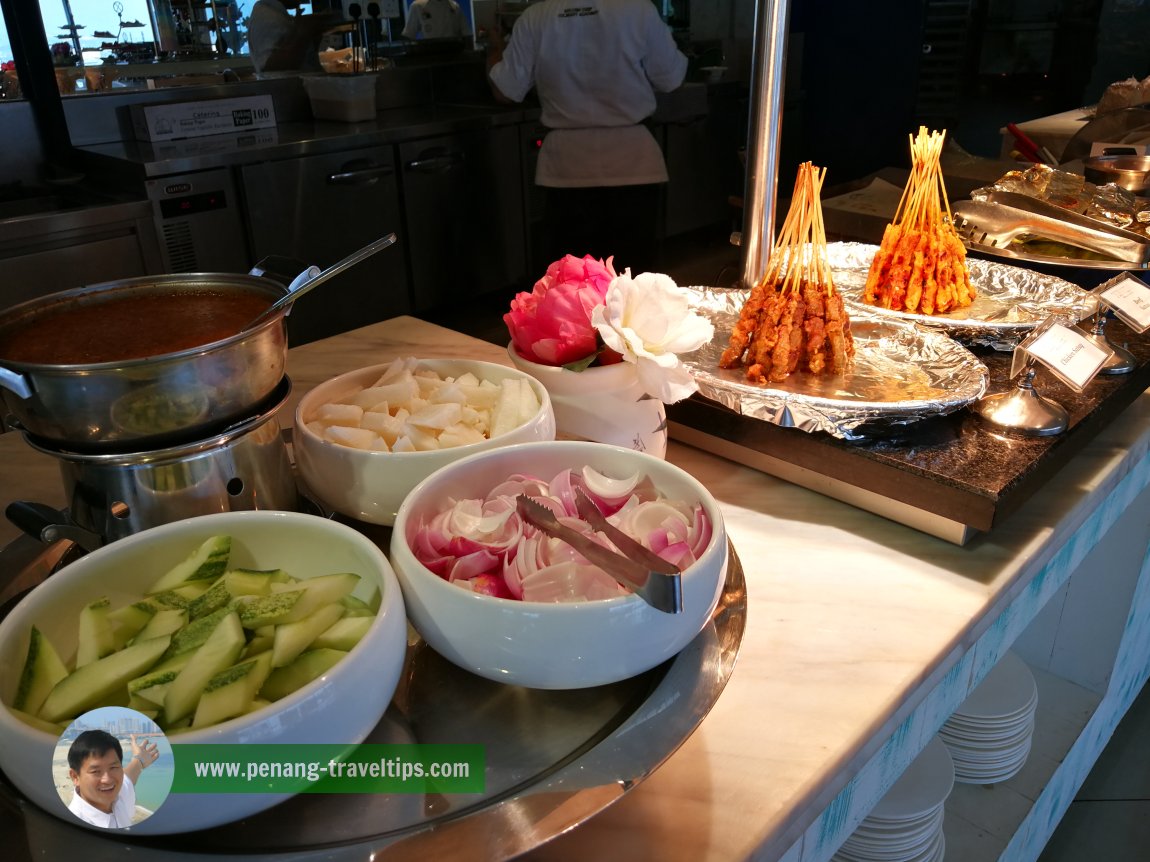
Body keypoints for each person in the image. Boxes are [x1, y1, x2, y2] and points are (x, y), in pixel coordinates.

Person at [487, 0, 687, 275]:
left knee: (573, 285)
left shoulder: (536, 16)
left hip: (566, 168)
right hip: (633, 163)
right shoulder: (638, 9)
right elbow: (671, 78)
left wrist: (495, 49)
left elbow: (505, 91)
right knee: (632, 280)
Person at [67, 731, 159, 829]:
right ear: (75, 777)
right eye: (96, 771)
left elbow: (129, 776)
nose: (107, 780)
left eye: (113, 767)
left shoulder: (118, 796)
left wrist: (139, 759)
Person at [402, 0, 467, 40]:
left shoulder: (454, 6)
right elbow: (408, 35)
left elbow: (465, 34)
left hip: (453, 55)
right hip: (430, 55)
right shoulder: (418, 6)